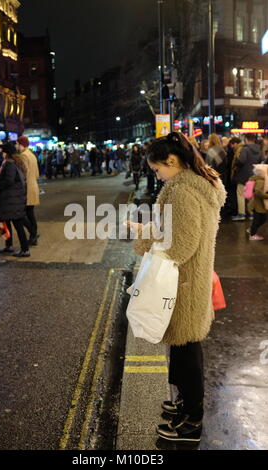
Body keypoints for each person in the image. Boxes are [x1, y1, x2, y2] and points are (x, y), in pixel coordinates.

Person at [128, 133, 226, 443]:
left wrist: (144, 237)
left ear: (172, 162)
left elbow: (180, 246)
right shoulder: (201, 184)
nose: (156, 175)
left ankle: (192, 421)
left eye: (157, 169)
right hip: (191, 279)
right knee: (185, 348)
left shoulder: (181, 192)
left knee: (186, 351)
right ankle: (184, 404)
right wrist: (149, 229)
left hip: (182, 283)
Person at [0, 143, 30, 258]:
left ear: (6, 153)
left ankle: (25, 249)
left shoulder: (10, 164)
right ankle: (9, 245)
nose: (2, 154)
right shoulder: (13, 163)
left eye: (3, 152)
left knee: (17, 225)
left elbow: (8, 181)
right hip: (11, 199)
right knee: (7, 222)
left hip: (12, 200)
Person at [16, 136, 40, 246]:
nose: (16, 146)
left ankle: (33, 234)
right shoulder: (32, 155)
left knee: (23, 214)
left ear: (21, 144)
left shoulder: (24, 155)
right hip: (33, 186)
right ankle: (33, 235)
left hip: (27, 188)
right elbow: (37, 174)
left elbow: (23, 174)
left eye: (17, 144)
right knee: (30, 213)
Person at [232, 134, 262, 221]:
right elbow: (261, 161)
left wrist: (236, 165)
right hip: (253, 175)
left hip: (243, 175)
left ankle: (241, 214)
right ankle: (251, 213)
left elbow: (241, 161)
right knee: (250, 195)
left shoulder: (245, 149)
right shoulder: (259, 150)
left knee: (240, 194)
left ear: (246, 139)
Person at [246, 164, 268, 241]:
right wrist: (266, 196)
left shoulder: (257, 179)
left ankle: (251, 229)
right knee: (258, 220)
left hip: (257, 204)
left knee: (262, 218)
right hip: (257, 205)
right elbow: (258, 192)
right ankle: (252, 235)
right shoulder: (260, 181)